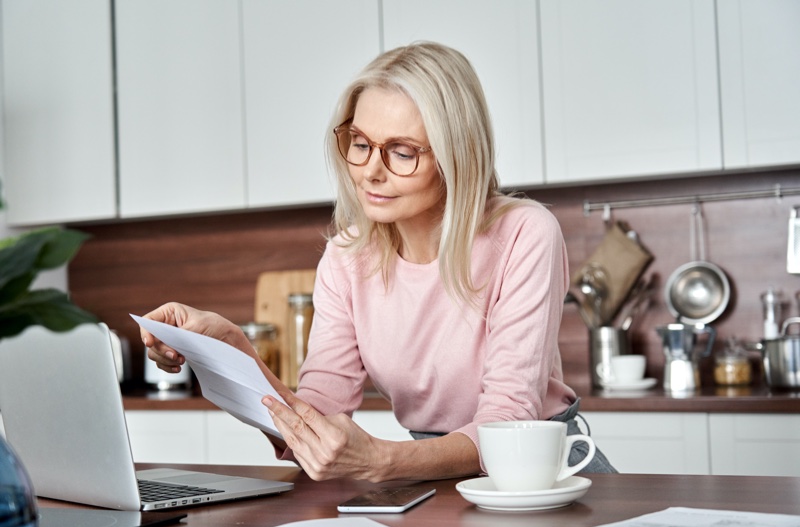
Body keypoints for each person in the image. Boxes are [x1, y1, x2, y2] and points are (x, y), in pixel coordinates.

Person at [141, 41, 616, 482]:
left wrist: (384, 462)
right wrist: (233, 350)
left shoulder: (524, 233)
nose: (370, 170)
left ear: (457, 156)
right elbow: (317, 419)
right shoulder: (348, 257)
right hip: (431, 471)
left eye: (402, 152)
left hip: (540, 468)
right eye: (361, 143)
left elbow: (508, 423)